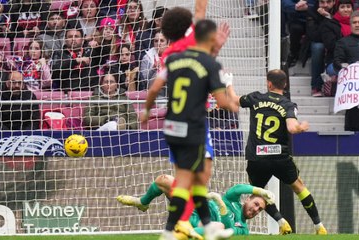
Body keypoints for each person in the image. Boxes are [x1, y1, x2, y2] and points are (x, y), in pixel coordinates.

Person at [140, 19, 239, 240]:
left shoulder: (172, 59)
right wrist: (234, 102)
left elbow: (155, 88)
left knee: (186, 180)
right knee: (197, 179)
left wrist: (146, 111)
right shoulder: (210, 64)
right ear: (210, 39)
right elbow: (223, 103)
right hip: (194, 127)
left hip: (173, 126)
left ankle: (179, 229)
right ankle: (189, 227)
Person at [227, 69, 328, 235]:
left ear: (269, 83)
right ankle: (319, 226)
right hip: (280, 157)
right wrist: (301, 127)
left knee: (259, 193)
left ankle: (282, 223)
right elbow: (291, 127)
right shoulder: (287, 104)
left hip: (257, 157)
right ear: (285, 84)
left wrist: (228, 83)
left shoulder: (256, 97)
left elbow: (234, 99)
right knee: (299, 188)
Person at [116, 174, 275, 237]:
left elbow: (228, 228)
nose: (255, 209)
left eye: (260, 209)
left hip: (199, 223)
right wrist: (260, 190)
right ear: (247, 200)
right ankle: (142, 203)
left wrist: (220, 204)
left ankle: (183, 234)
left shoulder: (244, 229)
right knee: (165, 180)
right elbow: (238, 188)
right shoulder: (232, 199)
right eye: (255, 204)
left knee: (218, 226)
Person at [333, 10, 359, 131]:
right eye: (354, 22)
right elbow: (337, 62)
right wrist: (345, 66)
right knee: (353, 123)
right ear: (350, 24)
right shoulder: (343, 42)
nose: (357, 25)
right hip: (352, 89)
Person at [306, 0, 335, 97]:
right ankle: (316, 86)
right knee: (318, 47)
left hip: (336, 42)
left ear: (334, 2)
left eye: (328, 2)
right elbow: (314, 35)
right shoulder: (312, 12)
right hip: (320, 41)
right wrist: (326, 18)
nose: (325, 5)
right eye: (322, 2)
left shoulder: (339, 10)